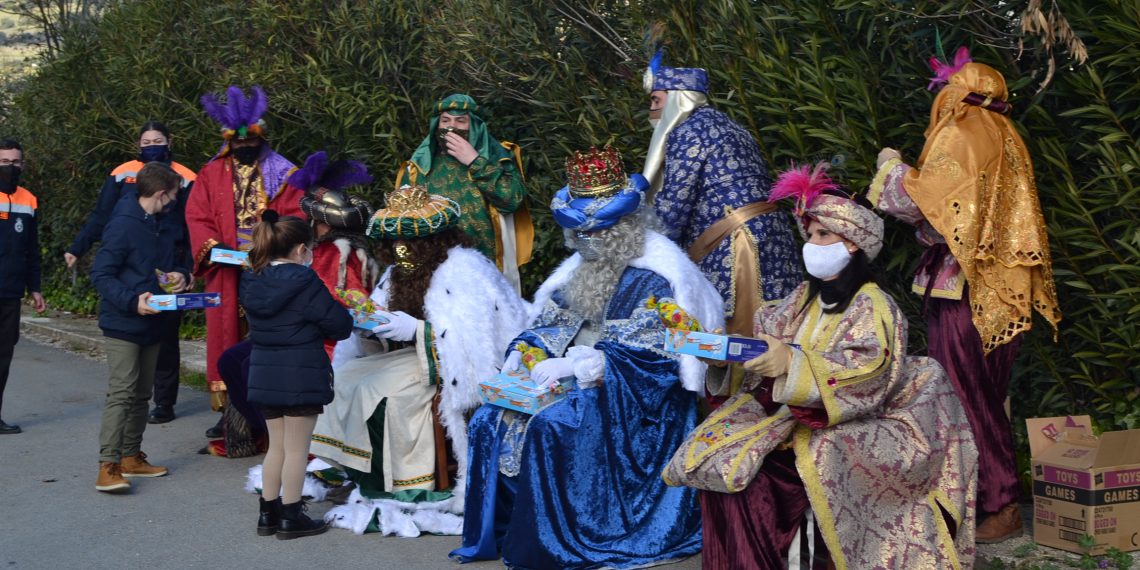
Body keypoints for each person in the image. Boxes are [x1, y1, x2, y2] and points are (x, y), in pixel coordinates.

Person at [679, 163, 978, 569]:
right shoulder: (799, 298)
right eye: (809, 235)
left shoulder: (874, 305)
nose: (812, 244)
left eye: (823, 234)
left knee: (756, 481)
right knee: (715, 459)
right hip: (787, 420)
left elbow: (869, 374)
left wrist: (792, 363)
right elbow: (759, 353)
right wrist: (721, 355)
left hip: (846, 425)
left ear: (852, 243)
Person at [451, 147, 725, 568]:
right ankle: (511, 531)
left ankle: (560, 538)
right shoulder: (579, 269)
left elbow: (658, 359)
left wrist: (586, 365)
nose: (588, 241)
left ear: (627, 225)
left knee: (552, 425)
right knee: (490, 418)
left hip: (634, 398)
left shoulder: (659, 274)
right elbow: (550, 322)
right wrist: (525, 350)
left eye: (599, 231)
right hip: (573, 379)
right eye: (581, 233)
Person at [870, 47, 1061, 543]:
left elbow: (922, 201)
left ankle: (999, 503)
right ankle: (978, 499)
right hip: (1003, 288)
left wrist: (891, 168)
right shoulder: (1004, 133)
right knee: (986, 396)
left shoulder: (963, 133)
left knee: (964, 395)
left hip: (967, 291)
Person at [306, 184, 526, 537]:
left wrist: (418, 331)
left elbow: (473, 343)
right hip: (417, 357)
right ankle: (356, 469)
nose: (401, 247)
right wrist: (369, 322)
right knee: (346, 377)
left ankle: (402, 482)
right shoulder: (399, 272)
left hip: (449, 368)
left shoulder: (464, 269)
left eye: (411, 239)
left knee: (381, 391)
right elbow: (381, 312)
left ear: (434, 239)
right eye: (395, 240)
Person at [207, 152, 377, 459]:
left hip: (321, 338)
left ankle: (292, 442)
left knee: (247, 365)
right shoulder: (311, 250)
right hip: (293, 328)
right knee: (231, 360)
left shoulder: (341, 254)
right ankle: (269, 432)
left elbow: (342, 306)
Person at [641, 53, 801, 345]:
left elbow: (674, 206)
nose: (651, 110)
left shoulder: (687, 131)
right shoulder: (732, 127)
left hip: (737, 243)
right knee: (779, 325)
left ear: (678, 98)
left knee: (739, 335)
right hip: (775, 238)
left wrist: (645, 246)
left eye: (656, 100)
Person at [186, 86, 303, 439]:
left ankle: (273, 413)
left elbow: (296, 215)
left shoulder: (284, 172)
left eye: (250, 141)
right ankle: (231, 413)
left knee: (268, 341)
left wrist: (272, 244)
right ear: (228, 142)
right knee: (227, 339)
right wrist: (216, 248)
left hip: (271, 270)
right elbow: (197, 215)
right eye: (237, 142)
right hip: (226, 271)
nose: (244, 146)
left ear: (260, 137)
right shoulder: (211, 173)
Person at [65, 120, 196, 425]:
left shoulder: (187, 177)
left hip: (170, 260)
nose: (152, 146)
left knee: (167, 340)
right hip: (133, 262)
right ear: (138, 145)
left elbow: (194, 226)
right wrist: (78, 247)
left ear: (169, 142)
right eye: (146, 142)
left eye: (158, 140)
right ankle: (131, 411)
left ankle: (164, 402)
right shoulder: (122, 173)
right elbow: (101, 216)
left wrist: (188, 270)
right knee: (133, 351)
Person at [241, 211, 353, 539]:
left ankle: (267, 513)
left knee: (276, 447)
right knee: (297, 450)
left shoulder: (252, 279)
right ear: (302, 249)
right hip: (300, 373)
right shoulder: (305, 282)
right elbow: (339, 325)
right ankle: (291, 515)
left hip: (264, 372)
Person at [90, 162, 189, 493]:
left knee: (142, 393)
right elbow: (101, 274)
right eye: (173, 195)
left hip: (154, 321)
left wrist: (180, 276)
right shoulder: (122, 224)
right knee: (122, 392)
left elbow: (173, 261)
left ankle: (131, 457)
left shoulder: (162, 224)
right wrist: (133, 302)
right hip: (123, 322)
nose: (175, 201)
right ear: (160, 194)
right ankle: (108, 465)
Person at [397, 93, 532, 290]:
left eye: (460, 121)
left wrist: (474, 161)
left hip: (486, 265)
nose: (451, 127)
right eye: (445, 121)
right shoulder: (419, 166)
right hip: (434, 269)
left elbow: (511, 200)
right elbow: (402, 221)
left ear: (475, 125)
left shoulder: (497, 156)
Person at [0, 138, 44, 435]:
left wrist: (35, 287)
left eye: (15, 162)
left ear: (23, 165)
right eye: (4, 162)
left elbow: (32, 249)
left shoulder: (28, 200)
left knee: (3, 356)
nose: (10, 167)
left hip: (11, 292)